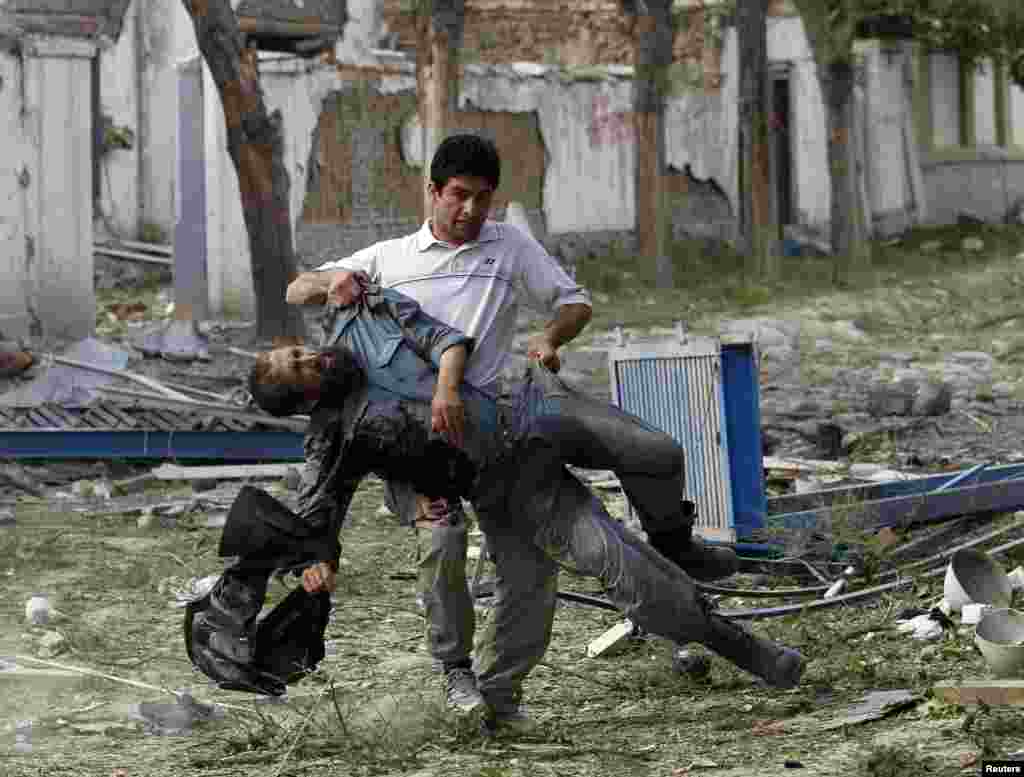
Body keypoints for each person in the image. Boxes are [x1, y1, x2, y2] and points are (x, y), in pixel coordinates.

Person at [284, 133, 739, 717]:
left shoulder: (509, 246)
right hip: (416, 446)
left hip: (504, 425)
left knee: (619, 484)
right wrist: (333, 282)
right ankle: (457, 674)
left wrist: (548, 339)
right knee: (442, 539)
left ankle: (675, 549)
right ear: (432, 192)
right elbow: (299, 287)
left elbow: (574, 303)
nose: (471, 211)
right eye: (458, 196)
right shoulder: (388, 259)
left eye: (483, 199)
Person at [247, 287, 804, 731]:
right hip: (509, 490)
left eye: (299, 352)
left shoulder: (360, 318)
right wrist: (311, 563)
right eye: (303, 369)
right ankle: (742, 648)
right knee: (586, 575)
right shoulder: (334, 440)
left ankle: (689, 561)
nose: (312, 358)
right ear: (308, 401)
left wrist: (331, 286)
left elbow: (435, 334)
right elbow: (315, 511)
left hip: (529, 415)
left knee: (647, 460)